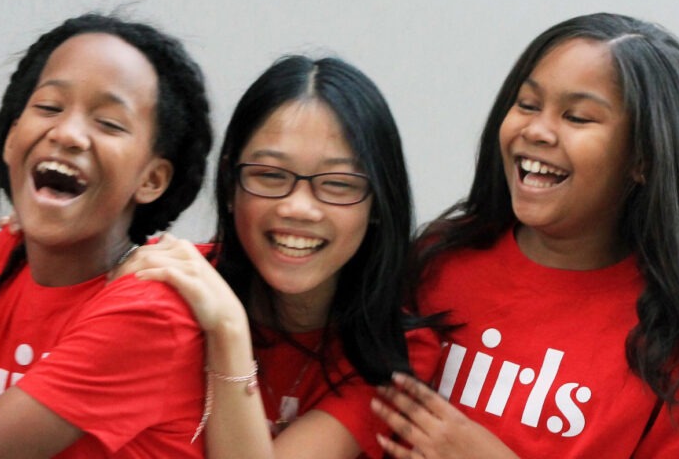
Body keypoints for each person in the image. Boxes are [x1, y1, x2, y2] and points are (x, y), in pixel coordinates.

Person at [371, 12, 679, 458]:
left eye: (576, 117)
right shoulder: (436, 260)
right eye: (528, 104)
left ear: (644, 158)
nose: (536, 131)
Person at [0, 12, 213, 458]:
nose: (67, 134)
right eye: (49, 107)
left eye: (108, 123)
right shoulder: (10, 255)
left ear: (152, 179)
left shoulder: (151, 312)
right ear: (12, 139)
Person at [116, 55, 441, 459]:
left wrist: (228, 329)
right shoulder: (170, 286)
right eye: (270, 175)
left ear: (378, 203)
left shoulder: (391, 351)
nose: (299, 208)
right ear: (230, 183)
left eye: (338, 183)